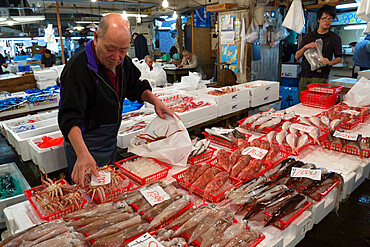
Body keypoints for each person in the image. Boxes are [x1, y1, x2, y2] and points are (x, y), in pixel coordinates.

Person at [58, 14, 176, 187]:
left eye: (123, 50)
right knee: (89, 199)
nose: (116, 56)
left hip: (109, 142)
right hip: (83, 145)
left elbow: (135, 86)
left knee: (111, 192)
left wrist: (155, 101)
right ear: (97, 37)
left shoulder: (123, 63)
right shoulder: (77, 69)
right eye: (111, 48)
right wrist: (82, 154)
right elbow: (70, 117)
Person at [294, 5, 342, 94]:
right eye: (324, 18)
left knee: (317, 102)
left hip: (321, 76)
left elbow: (339, 58)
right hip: (304, 75)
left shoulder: (335, 38)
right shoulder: (308, 36)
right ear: (318, 19)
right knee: (302, 102)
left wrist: (329, 62)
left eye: (330, 19)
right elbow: (297, 56)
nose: (327, 21)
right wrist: (305, 47)